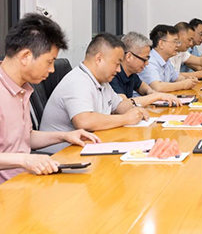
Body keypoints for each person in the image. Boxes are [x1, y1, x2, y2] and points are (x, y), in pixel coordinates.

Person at [0, 13, 100, 182]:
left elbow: (24, 138)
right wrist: (25, 160)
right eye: (49, 61)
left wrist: (64, 136)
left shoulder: (22, 89)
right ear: (25, 57)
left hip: (27, 181)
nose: (52, 69)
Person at [39, 33, 150, 153]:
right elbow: (84, 121)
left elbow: (118, 106)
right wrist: (125, 119)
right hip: (62, 154)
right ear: (99, 59)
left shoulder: (102, 81)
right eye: (117, 64)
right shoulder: (78, 81)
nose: (119, 70)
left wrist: (136, 109)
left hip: (87, 147)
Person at [109, 32, 181, 107]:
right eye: (144, 59)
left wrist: (152, 93)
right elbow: (123, 103)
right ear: (129, 57)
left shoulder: (131, 74)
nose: (147, 63)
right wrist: (156, 96)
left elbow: (142, 87)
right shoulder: (113, 75)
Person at [138, 25, 199, 92]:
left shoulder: (166, 60)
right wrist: (183, 84)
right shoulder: (149, 61)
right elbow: (157, 87)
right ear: (161, 44)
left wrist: (189, 80)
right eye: (174, 42)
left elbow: (177, 78)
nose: (177, 46)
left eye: (178, 42)